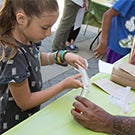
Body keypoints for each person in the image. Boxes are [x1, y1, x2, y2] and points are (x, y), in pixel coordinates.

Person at [0, 0, 87, 133]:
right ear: (21, 19)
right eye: (45, 27)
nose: (49, 33)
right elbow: (25, 101)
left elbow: (37, 57)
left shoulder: (27, 38)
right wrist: (63, 85)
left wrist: (62, 55)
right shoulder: (14, 55)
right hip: (13, 123)